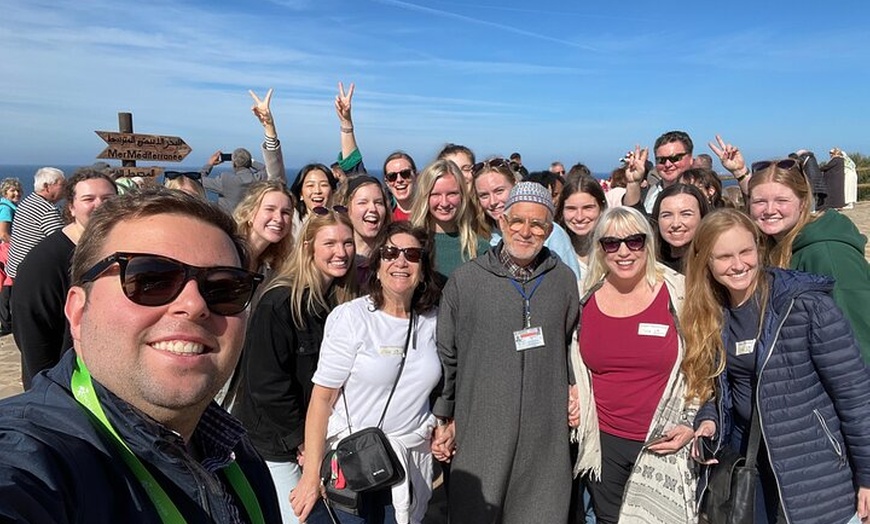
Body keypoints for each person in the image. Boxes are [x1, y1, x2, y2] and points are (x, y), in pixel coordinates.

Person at [0, 187, 281, 522]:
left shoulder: (235, 452)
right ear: (77, 311)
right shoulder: (38, 455)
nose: (194, 306)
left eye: (224, 288)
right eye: (150, 280)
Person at [682, 208, 870, 524]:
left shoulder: (805, 306)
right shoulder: (711, 313)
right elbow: (721, 387)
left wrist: (867, 474)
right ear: (706, 262)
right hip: (750, 472)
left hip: (814, 473)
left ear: (759, 247)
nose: (739, 264)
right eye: (725, 256)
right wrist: (709, 419)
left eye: (746, 251)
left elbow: (855, 395)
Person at [433, 182, 580, 524]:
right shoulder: (466, 281)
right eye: (517, 221)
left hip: (545, 435)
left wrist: (576, 390)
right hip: (481, 429)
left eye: (538, 224)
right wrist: (447, 414)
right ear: (502, 221)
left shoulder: (563, 280)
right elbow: (447, 354)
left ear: (549, 230)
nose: (526, 232)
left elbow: (573, 343)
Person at [291, 221, 443, 524]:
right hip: (355, 464)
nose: (401, 261)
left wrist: (447, 424)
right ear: (376, 265)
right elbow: (322, 399)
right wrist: (310, 478)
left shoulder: (435, 321)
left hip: (408, 466)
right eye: (390, 253)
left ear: (423, 270)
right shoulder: (351, 318)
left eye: (412, 255)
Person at [232, 208, 358, 524]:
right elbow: (266, 385)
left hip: (317, 440)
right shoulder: (279, 303)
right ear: (308, 247)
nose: (340, 253)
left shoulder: (342, 302)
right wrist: (303, 441)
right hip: (274, 444)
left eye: (347, 243)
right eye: (330, 244)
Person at [572, 206, 697, 523]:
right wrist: (571, 391)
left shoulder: (679, 293)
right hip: (605, 443)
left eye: (635, 241)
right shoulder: (584, 298)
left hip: (665, 439)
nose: (623, 251)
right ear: (600, 248)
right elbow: (573, 364)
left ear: (649, 243)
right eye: (611, 243)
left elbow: (703, 365)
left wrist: (694, 421)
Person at [747, 158, 870, 364]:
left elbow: (859, 334)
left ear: (803, 203)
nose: (769, 209)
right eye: (760, 202)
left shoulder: (829, 254)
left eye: (781, 201)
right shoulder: (777, 245)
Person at [12, 168, 117, 390]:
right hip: (67, 388)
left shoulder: (115, 250)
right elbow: (33, 333)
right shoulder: (45, 262)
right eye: (88, 199)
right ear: (71, 206)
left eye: (108, 198)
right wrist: (46, 390)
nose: (100, 205)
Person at [473, 158, 581, 279]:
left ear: (515, 185)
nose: (492, 202)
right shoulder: (479, 236)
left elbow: (572, 282)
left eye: (499, 191)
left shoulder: (551, 232)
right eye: (484, 195)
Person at [410, 159, 489, 281]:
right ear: (424, 197)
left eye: (452, 194)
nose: (444, 203)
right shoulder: (410, 245)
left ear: (462, 196)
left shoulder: (480, 249)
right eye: (435, 194)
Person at [6, 167, 65, 282]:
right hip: (30, 275)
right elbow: (62, 244)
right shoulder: (47, 210)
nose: (66, 189)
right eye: (62, 185)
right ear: (47, 187)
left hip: (14, 270)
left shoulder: (27, 202)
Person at [335, 175, 391, 288]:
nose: (373, 209)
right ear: (346, 208)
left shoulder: (392, 256)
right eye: (362, 202)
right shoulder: (336, 257)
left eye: (379, 202)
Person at [232, 180, 295, 279]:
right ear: (249, 213)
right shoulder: (229, 252)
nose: (278, 219)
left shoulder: (268, 267)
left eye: (285, 212)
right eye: (270, 209)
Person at [623, 130, 695, 214]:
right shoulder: (648, 195)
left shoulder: (704, 192)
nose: (668, 164)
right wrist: (633, 183)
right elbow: (633, 219)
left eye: (675, 158)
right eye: (661, 160)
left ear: (690, 159)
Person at [555, 174, 607, 282]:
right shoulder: (554, 252)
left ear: (601, 208)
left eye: (588, 208)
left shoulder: (614, 249)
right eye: (571, 209)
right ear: (562, 211)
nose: (579, 217)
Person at [650, 183, 710, 273]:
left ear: (702, 216)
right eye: (667, 215)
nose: (675, 224)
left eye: (686, 214)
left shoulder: (713, 264)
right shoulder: (650, 264)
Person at [0, 177, 22, 336]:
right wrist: (20, 244)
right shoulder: (6, 209)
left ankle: (6, 322)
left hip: (7, 249)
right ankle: (6, 323)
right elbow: (3, 233)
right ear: (5, 192)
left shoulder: (10, 207)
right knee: (7, 285)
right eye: (12, 190)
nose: (16, 193)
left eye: (18, 190)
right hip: (7, 250)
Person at [383, 152, 418, 221]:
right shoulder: (383, 215)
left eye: (405, 174)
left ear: (416, 176)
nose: (399, 180)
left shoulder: (429, 211)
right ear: (387, 182)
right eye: (392, 176)